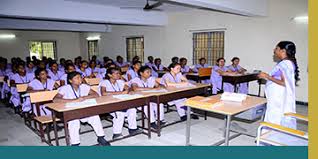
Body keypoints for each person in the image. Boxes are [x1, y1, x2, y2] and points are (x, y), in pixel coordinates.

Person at [54, 71, 110, 146]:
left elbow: (96, 95)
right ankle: (75, 143)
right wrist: (74, 100)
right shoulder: (65, 88)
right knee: (74, 122)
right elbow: (55, 100)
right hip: (71, 112)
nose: (80, 79)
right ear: (70, 80)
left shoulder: (84, 86)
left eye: (80, 77)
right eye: (77, 78)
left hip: (84, 110)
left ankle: (101, 137)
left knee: (95, 116)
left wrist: (84, 97)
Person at [258, 41, 300, 129]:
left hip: (278, 98)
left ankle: (272, 138)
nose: (274, 50)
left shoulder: (285, 64)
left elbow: (284, 83)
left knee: (275, 116)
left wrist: (267, 76)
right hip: (277, 97)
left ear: (283, 51)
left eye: (276, 48)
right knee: (275, 115)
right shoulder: (286, 63)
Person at [99, 67, 142, 140]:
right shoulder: (104, 82)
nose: (119, 75)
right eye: (116, 73)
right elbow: (103, 93)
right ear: (109, 75)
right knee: (119, 113)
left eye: (119, 73)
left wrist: (130, 90)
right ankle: (117, 133)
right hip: (109, 104)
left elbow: (128, 88)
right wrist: (120, 92)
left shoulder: (120, 81)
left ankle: (132, 129)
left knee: (132, 110)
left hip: (120, 102)